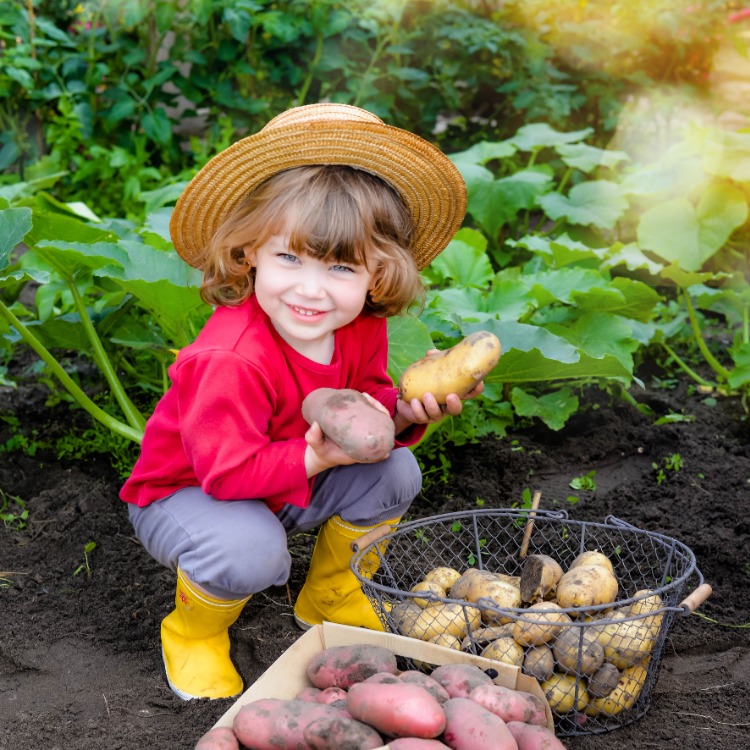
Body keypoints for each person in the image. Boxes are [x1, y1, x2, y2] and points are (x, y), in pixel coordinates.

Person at [120, 102, 479, 702]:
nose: (310, 288)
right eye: (289, 258)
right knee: (250, 550)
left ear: (378, 275)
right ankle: (194, 632)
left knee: (396, 470)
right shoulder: (230, 358)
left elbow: (363, 412)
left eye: (341, 267)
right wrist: (316, 461)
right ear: (248, 251)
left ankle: (330, 591)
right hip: (189, 493)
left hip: (282, 479)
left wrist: (402, 416)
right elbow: (227, 471)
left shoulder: (361, 326)